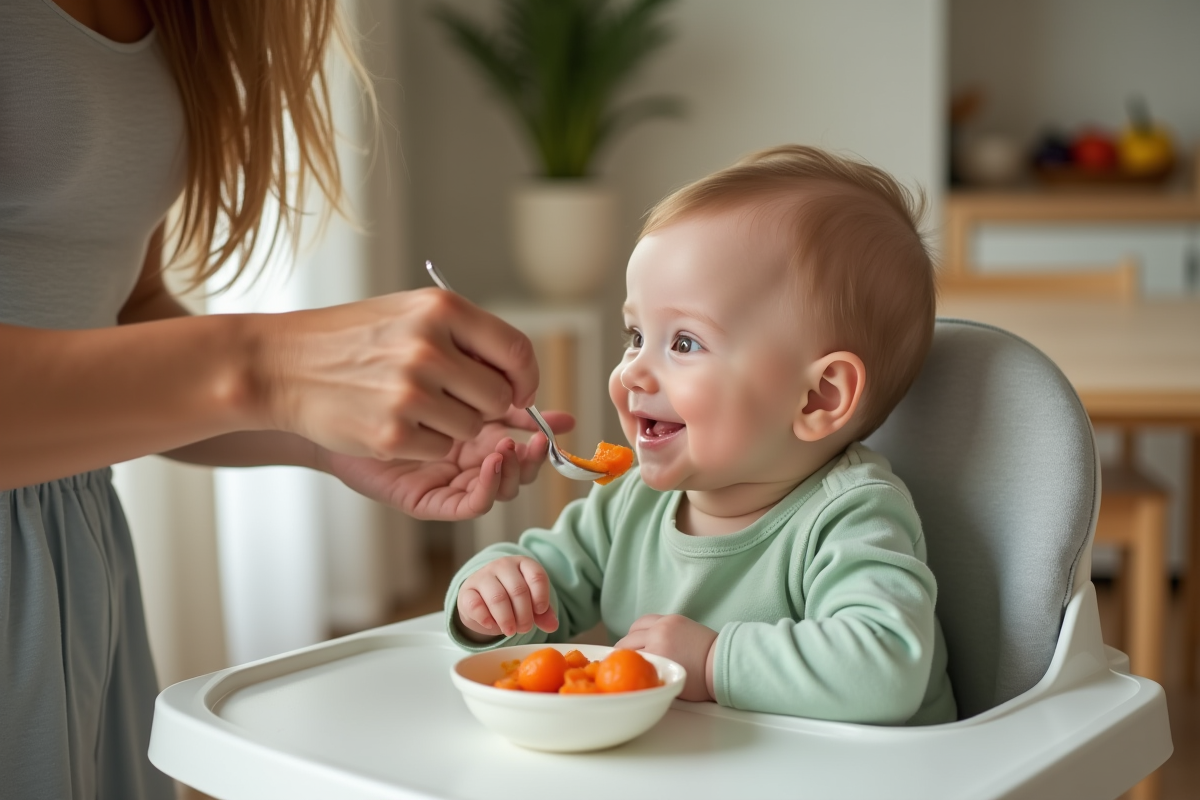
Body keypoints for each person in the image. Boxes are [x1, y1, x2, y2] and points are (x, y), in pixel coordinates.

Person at [0, 1, 569, 798]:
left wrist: (319, 433)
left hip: (76, 562)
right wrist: (273, 366)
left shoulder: (177, 16)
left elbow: (122, 315)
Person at [447, 145, 958, 725]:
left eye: (684, 342)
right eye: (635, 335)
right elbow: (544, 590)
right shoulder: (629, 501)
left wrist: (713, 660)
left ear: (818, 398)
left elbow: (885, 670)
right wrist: (491, 593)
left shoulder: (852, 516)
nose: (631, 371)